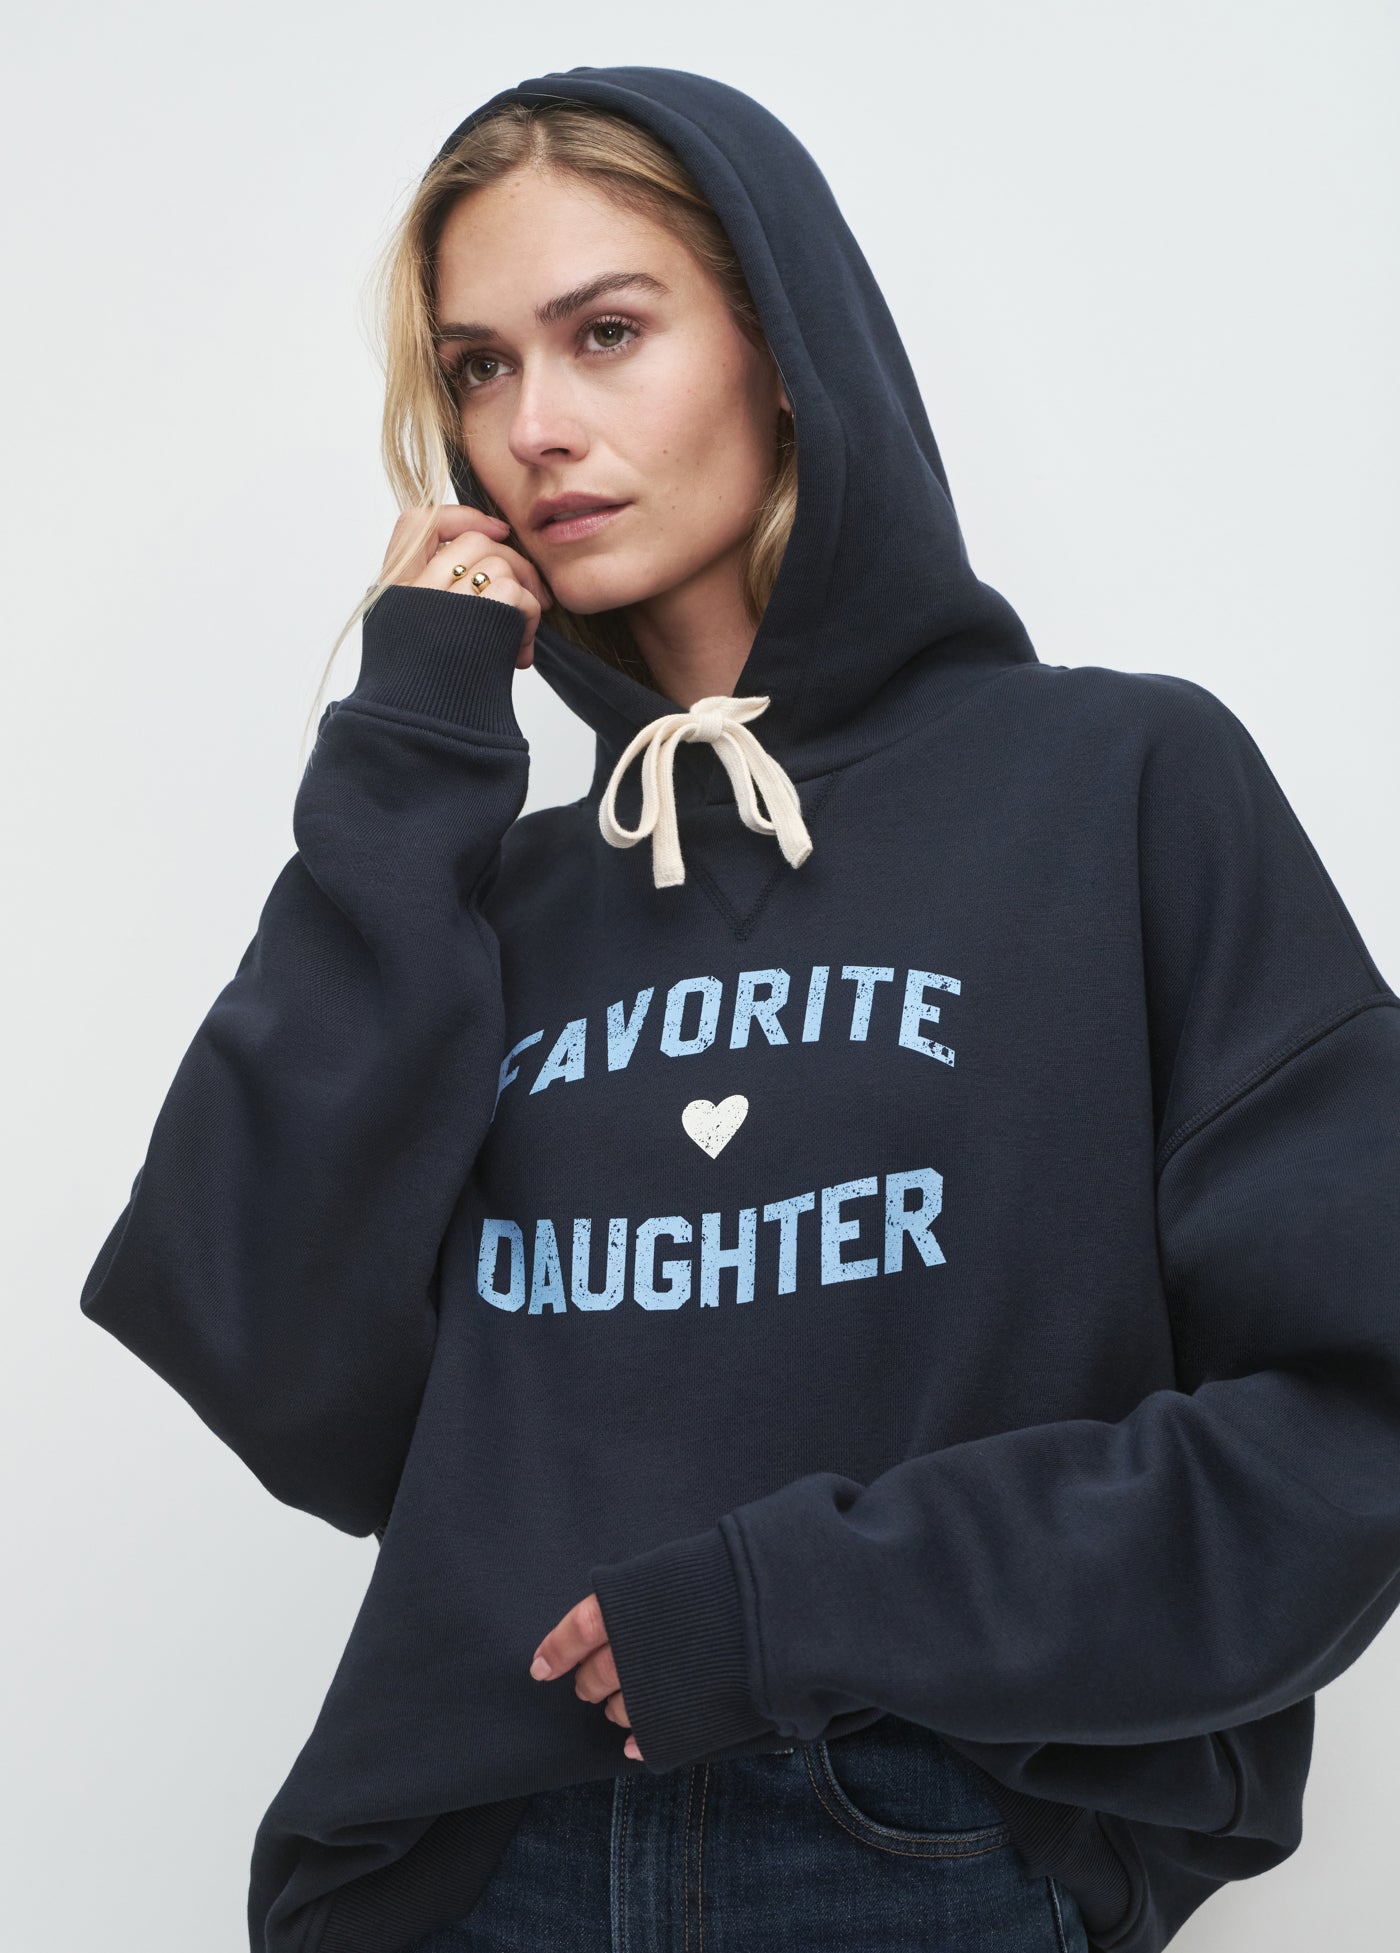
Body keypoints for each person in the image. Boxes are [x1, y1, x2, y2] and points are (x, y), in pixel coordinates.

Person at [77, 62, 1400, 1953]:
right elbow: (285, 1372)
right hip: (481, 1863)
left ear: (784, 352)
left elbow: (1353, 1418)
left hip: (906, 1842)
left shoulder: (1117, 787)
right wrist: (408, 751)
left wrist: (813, 1601)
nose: (536, 426)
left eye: (606, 333)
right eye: (477, 368)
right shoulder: (492, 891)